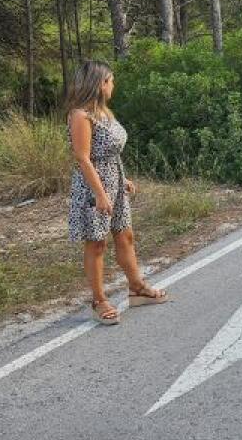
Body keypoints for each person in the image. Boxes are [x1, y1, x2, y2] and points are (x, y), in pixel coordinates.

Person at [65, 60, 168, 325]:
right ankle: (99, 301)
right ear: (99, 84)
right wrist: (101, 193)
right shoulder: (80, 115)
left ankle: (137, 288)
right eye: (110, 80)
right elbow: (84, 159)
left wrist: (123, 180)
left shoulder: (104, 113)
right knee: (97, 243)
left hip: (114, 180)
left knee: (125, 236)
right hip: (93, 187)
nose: (113, 85)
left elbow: (109, 153)